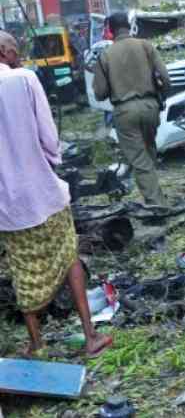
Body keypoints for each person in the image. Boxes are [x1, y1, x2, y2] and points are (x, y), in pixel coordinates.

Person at [0, 31, 113, 358]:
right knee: (68, 256)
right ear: (6, 52)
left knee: (21, 268)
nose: (18, 57)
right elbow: (49, 137)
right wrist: (51, 159)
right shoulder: (23, 79)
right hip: (43, 192)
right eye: (16, 51)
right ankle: (90, 336)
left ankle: (37, 343)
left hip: (7, 206)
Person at [93, 12, 169, 207]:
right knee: (148, 151)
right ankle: (157, 195)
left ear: (110, 30)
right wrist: (162, 95)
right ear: (128, 26)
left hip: (125, 112)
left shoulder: (105, 55)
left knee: (139, 159)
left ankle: (157, 205)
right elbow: (165, 78)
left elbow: (100, 93)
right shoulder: (146, 46)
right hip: (151, 106)